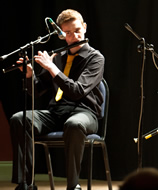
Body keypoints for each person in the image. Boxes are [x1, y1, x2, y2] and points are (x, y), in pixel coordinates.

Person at [10, 9, 105, 190]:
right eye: (68, 33)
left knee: (74, 124)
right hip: (56, 113)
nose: (74, 36)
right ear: (61, 35)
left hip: (85, 113)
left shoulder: (96, 58)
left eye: (77, 30)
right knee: (19, 119)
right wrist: (30, 76)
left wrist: (52, 68)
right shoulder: (58, 57)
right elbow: (37, 92)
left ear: (84, 27)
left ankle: (73, 185)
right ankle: (26, 183)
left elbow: (77, 91)